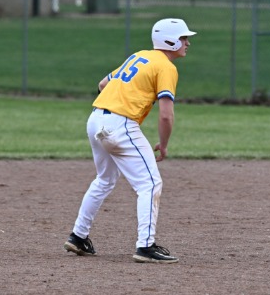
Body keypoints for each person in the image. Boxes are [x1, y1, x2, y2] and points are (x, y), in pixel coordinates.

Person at [64, 18, 197, 264]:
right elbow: (166, 115)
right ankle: (145, 246)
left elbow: (102, 84)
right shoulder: (166, 67)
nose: (187, 43)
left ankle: (78, 237)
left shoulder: (139, 56)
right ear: (170, 41)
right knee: (150, 184)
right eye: (183, 38)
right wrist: (163, 144)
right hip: (121, 124)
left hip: (95, 118)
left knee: (104, 180)